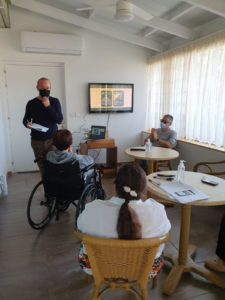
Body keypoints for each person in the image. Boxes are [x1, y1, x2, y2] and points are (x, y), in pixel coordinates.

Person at [77, 164, 171, 277]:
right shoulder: (158, 211)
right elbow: (165, 231)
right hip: (145, 270)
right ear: (143, 189)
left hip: (96, 267)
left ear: (115, 187)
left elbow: (80, 226)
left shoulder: (93, 209)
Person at [22, 77, 63, 174]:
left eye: (48, 88)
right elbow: (25, 119)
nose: (45, 90)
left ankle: (56, 188)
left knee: (54, 167)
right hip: (37, 141)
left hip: (53, 140)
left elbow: (59, 120)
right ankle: (47, 188)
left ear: (50, 88)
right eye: (43, 88)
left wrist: (48, 106)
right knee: (43, 169)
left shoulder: (54, 101)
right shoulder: (31, 103)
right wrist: (27, 124)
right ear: (37, 88)